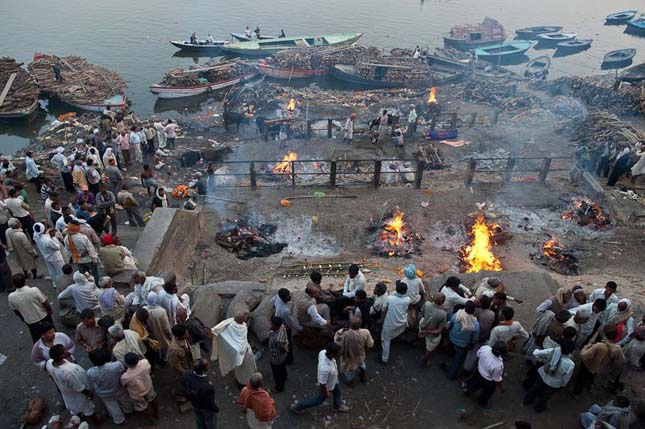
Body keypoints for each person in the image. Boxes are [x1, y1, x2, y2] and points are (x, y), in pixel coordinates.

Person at [290, 342, 349, 414]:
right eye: (338, 353)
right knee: (319, 400)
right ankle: (298, 407)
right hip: (328, 385)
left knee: (337, 392)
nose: (339, 354)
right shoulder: (325, 369)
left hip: (333, 381)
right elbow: (322, 384)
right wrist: (326, 393)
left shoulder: (323, 352)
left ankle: (337, 406)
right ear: (332, 354)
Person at [523, 340, 576, 412]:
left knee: (535, 388)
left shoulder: (553, 351)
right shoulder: (571, 364)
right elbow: (566, 378)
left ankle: (527, 401)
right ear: (571, 351)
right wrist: (562, 385)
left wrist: (543, 360)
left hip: (543, 375)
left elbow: (536, 353)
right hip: (554, 383)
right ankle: (538, 408)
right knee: (545, 395)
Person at [46, 344, 95, 419]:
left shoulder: (49, 363)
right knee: (87, 409)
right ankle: (94, 420)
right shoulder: (69, 371)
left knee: (74, 409)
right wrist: (89, 393)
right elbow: (79, 387)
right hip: (77, 395)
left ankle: (79, 419)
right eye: (65, 350)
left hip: (66, 393)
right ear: (61, 356)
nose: (67, 351)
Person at [87, 348, 134, 425]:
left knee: (112, 407)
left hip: (104, 393)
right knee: (125, 400)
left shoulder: (90, 372)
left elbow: (94, 382)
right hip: (118, 388)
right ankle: (129, 410)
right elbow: (122, 372)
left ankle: (119, 420)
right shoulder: (117, 365)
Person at [574, 324, 625, 394]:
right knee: (592, 376)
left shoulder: (599, 346)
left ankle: (577, 392)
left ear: (604, 334)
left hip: (588, 364)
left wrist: (586, 346)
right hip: (599, 367)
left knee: (581, 377)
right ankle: (589, 385)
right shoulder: (617, 348)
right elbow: (620, 362)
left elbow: (583, 355)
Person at [211, 312, 257, 386]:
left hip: (236, 354)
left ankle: (240, 380)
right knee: (246, 370)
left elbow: (220, 331)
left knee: (239, 369)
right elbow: (242, 344)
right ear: (242, 320)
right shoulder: (243, 329)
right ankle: (244, 383)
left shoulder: (230, 323)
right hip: (244, 354)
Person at [8, 273, 53, 342]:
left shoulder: (11, 297)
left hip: (30, 321)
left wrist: (23, 318)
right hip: (43, 316)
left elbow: (16, 311)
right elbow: (44, 302)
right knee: (52, 334)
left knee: (38, 339)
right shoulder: (34, 290)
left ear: (14, 284)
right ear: (25, 281)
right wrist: (49, 310)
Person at [463, 341, 506, 407]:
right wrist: (501, 388)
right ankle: (482, 402)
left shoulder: (485, 348)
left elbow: (478, 355)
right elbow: (496, 378)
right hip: (487, 380)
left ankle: (467, 390)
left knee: (474, 384)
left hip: (479, 370)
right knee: (488, 392)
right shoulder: (498, 365)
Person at [334, 316, 374, 386]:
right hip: (360, 355)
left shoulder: (344, 334)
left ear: (350, 325)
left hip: (348, 357)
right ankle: (363, 375)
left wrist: (342, 330)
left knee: (349, 370)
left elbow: (336, 341)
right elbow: (370, 344)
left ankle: (350, 382)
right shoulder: (366, 332)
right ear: (360, 324)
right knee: (362, 364)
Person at [444, 301, 480, 379]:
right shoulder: (475, 324)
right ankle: (451, 374)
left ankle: (448, 362)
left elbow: (450, 324)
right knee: (457, 360)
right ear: (474, 311)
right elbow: (475, 338)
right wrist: (471, 344)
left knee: (453, 352)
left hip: (452, 337)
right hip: (462, 344)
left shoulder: (457, 315)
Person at [181, 358, 219, 429]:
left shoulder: (186, 374)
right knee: (210, 421)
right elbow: (210, 402)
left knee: (199, 418)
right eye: (207, 365)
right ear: (204, 369)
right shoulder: (207, 386)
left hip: (195, 404)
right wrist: (215, 409)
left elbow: (183, 387)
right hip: (205, 407)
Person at [121, 353, 158, 423]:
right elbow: (149, 370)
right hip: (148, 387)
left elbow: (124, 385)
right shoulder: (144, 363)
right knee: (153, 399)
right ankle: (156, 414)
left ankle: (151, 420)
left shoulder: (125, 377)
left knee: (143, 407)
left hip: (137, 394)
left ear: (126, 363)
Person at [380, 280, 411, 365]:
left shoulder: (390, 298)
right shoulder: (407, 299)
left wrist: (381, 320)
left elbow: (383, 309)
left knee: (385, 340)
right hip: (402, 323)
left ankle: (384, 359)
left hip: (390, 324)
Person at [271, 288, 301, 364]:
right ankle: (289, 359)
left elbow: (272, 302)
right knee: (288, 343)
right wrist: (300, 328)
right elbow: (291, 323)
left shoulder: (278, 297)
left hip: (279, 317)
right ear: (283, 298)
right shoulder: (285, 311)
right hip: (284, 324)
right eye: (288, 297)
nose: (289, 297)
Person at [419, 292, 447, 367]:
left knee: (424, 341)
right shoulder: (443, 314)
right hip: (432, 334)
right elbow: (439, 330)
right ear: (443, 302)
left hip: (423, 327)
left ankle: (423, 350)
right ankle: (424, 362)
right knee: (429, 350)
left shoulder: (427, 304)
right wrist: (428, 331)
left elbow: (422, 313)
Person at [145, 291, 173, 361]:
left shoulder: (145, 309)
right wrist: (170, 334)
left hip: (151, 334)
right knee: (164, 347)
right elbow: (166, 326)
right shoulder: (161, 311)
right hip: (161, 334)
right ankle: (164, 360)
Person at [268, 316, 289, 392]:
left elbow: (281, 348)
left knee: (277, 374)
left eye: (271, 324)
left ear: (275, 326)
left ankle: (279, 388)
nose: (270, 325)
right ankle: (284, 377)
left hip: (276, 358)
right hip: (282, 357)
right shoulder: (282, 327)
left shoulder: (277, 339)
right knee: (282, 369)